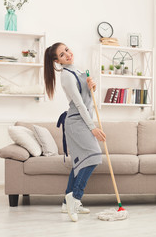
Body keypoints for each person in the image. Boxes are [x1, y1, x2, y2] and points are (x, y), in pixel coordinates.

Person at [44, 42, 106, 222]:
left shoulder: (77, 70)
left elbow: (87, 98)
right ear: (57, 61)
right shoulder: (66, 76)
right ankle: (75, 198)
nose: (68, 54)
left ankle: (66, 203)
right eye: (62, 55)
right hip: (76, 122)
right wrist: (92, 127)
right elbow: (78, 104)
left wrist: (92, 87)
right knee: (94, 156)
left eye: (67, 50)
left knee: (79, 164)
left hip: (81, 120)